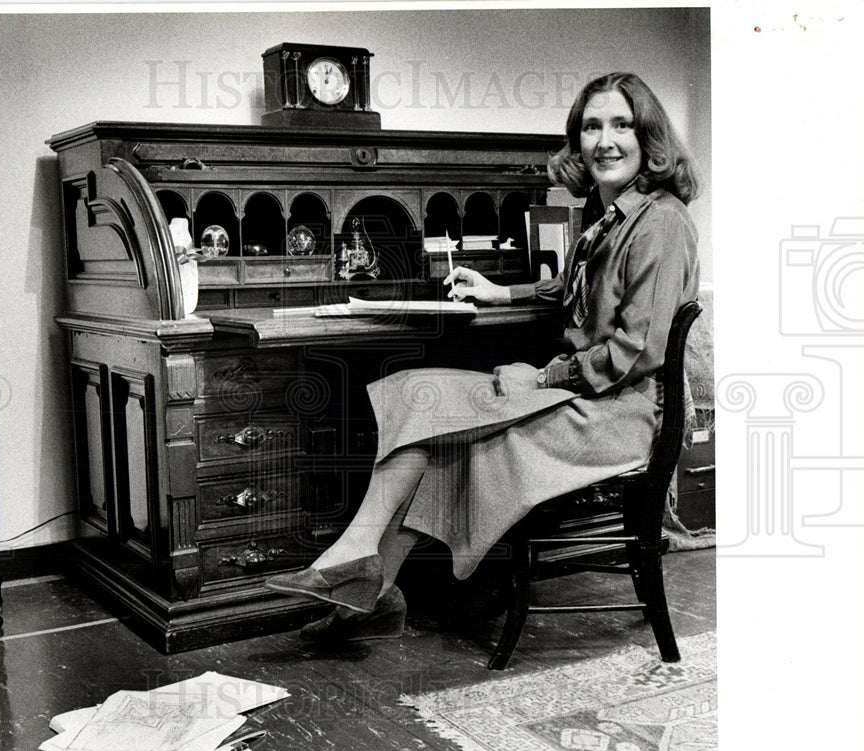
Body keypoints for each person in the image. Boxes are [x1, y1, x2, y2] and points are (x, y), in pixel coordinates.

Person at [265, 72, 701, 642]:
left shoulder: (660, 222)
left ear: (648, 137)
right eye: (591, 126)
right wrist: (505, 293)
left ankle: (359, 581)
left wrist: (545, 373)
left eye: (621, 124)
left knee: (436, 419)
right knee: (414, 392)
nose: (605, 141)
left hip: (620, 414)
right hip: (589, 394)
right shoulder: (611, 216)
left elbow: (636, 350)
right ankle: (361, 576)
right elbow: (583, 290)